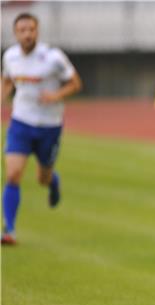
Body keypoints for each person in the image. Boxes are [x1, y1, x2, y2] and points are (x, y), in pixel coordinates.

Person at [1, 13, 82, 245]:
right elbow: (7, 81)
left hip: (49, 126)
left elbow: (76, 83)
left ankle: (53, 182)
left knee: (42, 178)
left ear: (37, 31)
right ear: (15, 33)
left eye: (31, 29)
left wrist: (55, 95)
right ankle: (9, 230)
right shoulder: (10, 56)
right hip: (21, 123)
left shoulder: (53, 57)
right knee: (13, 174)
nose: (27, 34)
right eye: (22, 30)